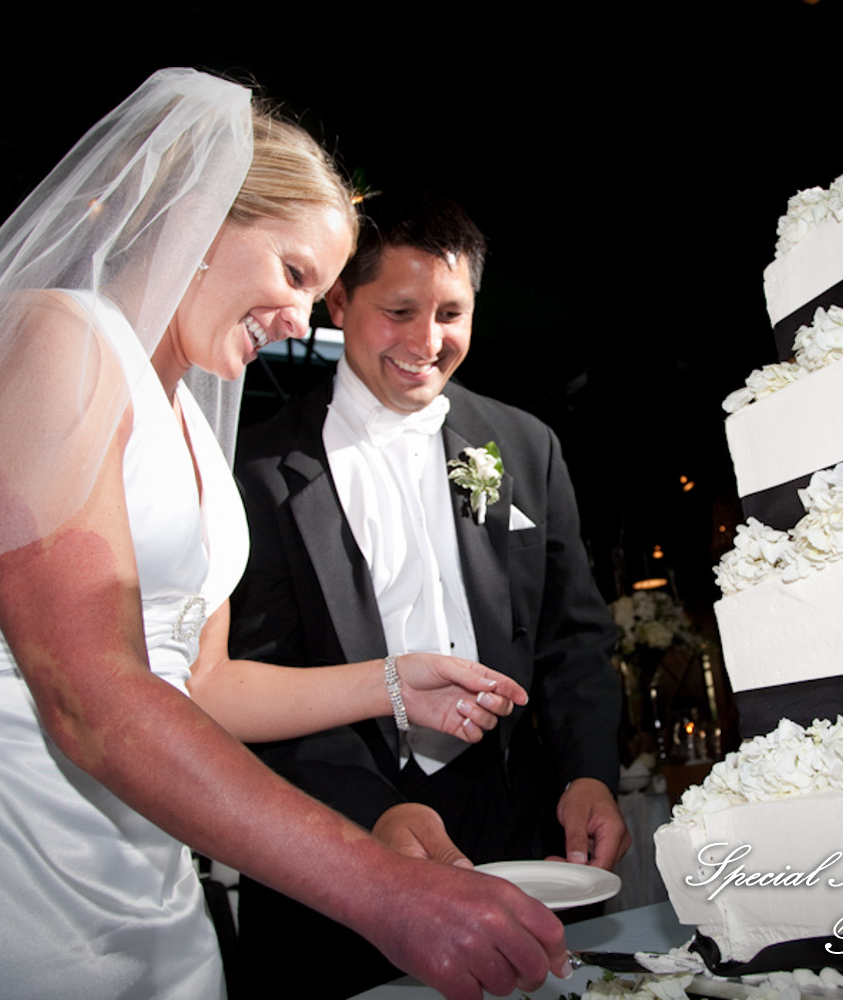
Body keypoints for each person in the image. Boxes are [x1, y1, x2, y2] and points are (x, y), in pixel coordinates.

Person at [0, 70, 568, 1000]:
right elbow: (88, 693)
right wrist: (380, 889)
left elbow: (199, 684)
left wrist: (391, 683)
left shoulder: (196, 427)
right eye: (293, 274)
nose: (295, 322)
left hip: (144, 856)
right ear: (195, 217)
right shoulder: (47, 337)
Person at [230, 192, 628, 996]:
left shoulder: (523, 444)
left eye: (451, 313)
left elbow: (572, 636)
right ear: (340, 300)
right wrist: (369, 813)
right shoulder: (260, 469)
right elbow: (252, 675)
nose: (427, 342)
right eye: (400, 311)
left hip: (513, 826)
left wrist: (590, 772)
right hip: (337, 833)